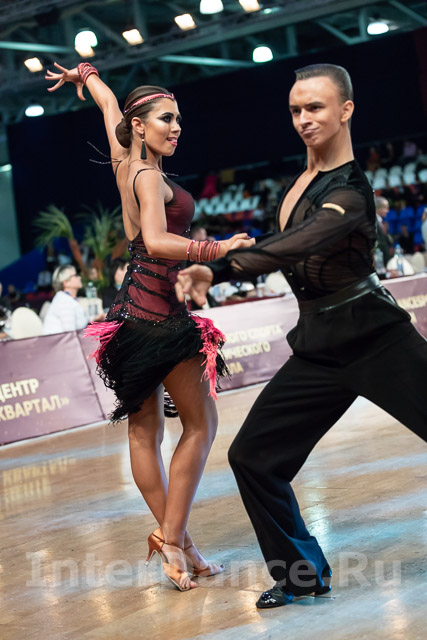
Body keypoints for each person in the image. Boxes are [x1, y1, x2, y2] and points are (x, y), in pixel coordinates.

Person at [176, 63, 427, 608]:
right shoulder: (296, 186)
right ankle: (300, 575)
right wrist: (226, 259)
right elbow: (287, 242)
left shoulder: (352, 190)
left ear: (346, 110)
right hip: (319, 347)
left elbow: (302, 241)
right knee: (253, 458)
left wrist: (219, 267)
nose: (304, 119)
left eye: (315, 107)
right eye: (295, 110)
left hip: (376, 337)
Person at [46, 61, 253, 592]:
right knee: (201, 427)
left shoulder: (125, 162)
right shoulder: (148, 176)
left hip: (129, 319)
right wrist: (218, 248)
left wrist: (87, 76)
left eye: (179, 119)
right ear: (140, 126)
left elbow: (109, 105)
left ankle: (180, 547)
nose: (177, 127)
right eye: (167, 119)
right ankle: (173, 539)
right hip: (161, 318)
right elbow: (158, 242)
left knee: (146, 432)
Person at [42, 265, 88, 335]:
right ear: (66, 282)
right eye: (75, 275)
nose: (79, 277)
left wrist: (94, 319)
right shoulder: (64, 302)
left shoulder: (67, 299)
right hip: (58, 341)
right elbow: (70, 333)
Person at [375, 195, 394, 266]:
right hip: (379, 261)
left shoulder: (380, 221)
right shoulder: (374, 222)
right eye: (386, 208)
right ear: (379, 208)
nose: (387, 211)